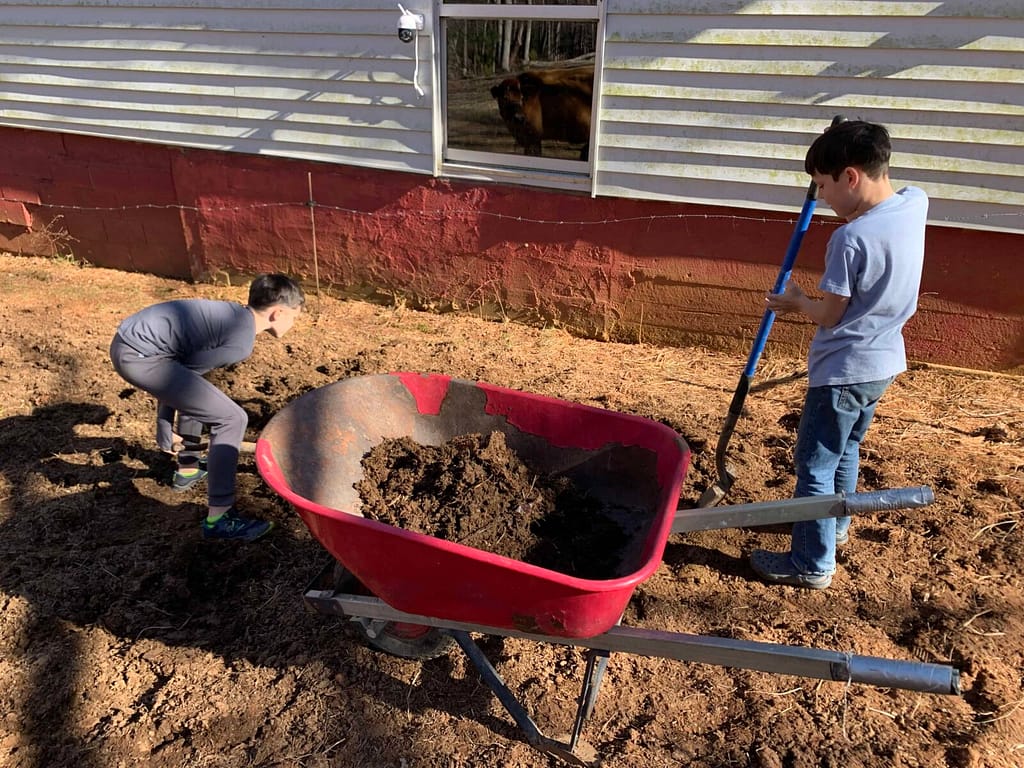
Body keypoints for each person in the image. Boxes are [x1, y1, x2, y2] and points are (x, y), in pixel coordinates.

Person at [749, 120, 927, 590]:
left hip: (842, 369)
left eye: (824, 186)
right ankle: (838, 522)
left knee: (814, 465)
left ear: (851, 177)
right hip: (883, 362)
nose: (822, 197)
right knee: (847, 447)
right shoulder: (914, 204)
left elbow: (829, 314)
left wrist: (795, 302)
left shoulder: (850, 240)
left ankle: (811, 562)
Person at [110, 274, 305, 541]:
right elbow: (178, 375)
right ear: (277, 313)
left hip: (128, 345)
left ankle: (188, 468)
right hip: (140, 356)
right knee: (232, 419)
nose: (295, 323)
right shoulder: (240, 343)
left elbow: (188, 380)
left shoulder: (233, 317)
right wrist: (163, 425)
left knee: (205, 398)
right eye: (294, 317)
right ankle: (220, 518)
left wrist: (165, 424)